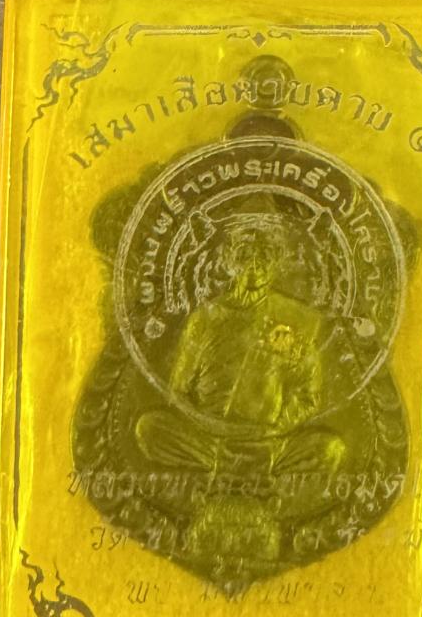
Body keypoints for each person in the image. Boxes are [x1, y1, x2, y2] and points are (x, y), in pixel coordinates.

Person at [135, 203, 346, 531]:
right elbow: (179, 391)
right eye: (246, 254)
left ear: (277, 263)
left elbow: (309, 395)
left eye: (265, 256)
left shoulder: (296, 318)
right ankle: (235, 468)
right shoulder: (204, 319)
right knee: (149, 429)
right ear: (229, 259)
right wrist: (210, 425)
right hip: (210, 441)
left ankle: (244, 469)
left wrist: (275, 428)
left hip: (271, 443)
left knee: (331, 449)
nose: (255, 265)